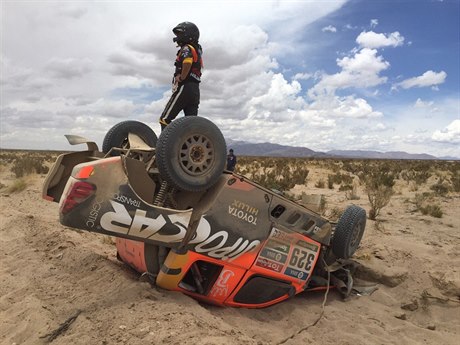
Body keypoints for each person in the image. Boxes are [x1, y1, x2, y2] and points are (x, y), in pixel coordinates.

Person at [159, 22, 203, 131]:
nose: (177, 37)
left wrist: (182, 77)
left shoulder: (187, 48)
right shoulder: (197, 49)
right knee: (191, 123)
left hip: (185, 87)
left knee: (164, 119)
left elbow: (187, 62)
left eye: (180, 34)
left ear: (188, 34)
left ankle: (166, 147)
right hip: (195, 90)